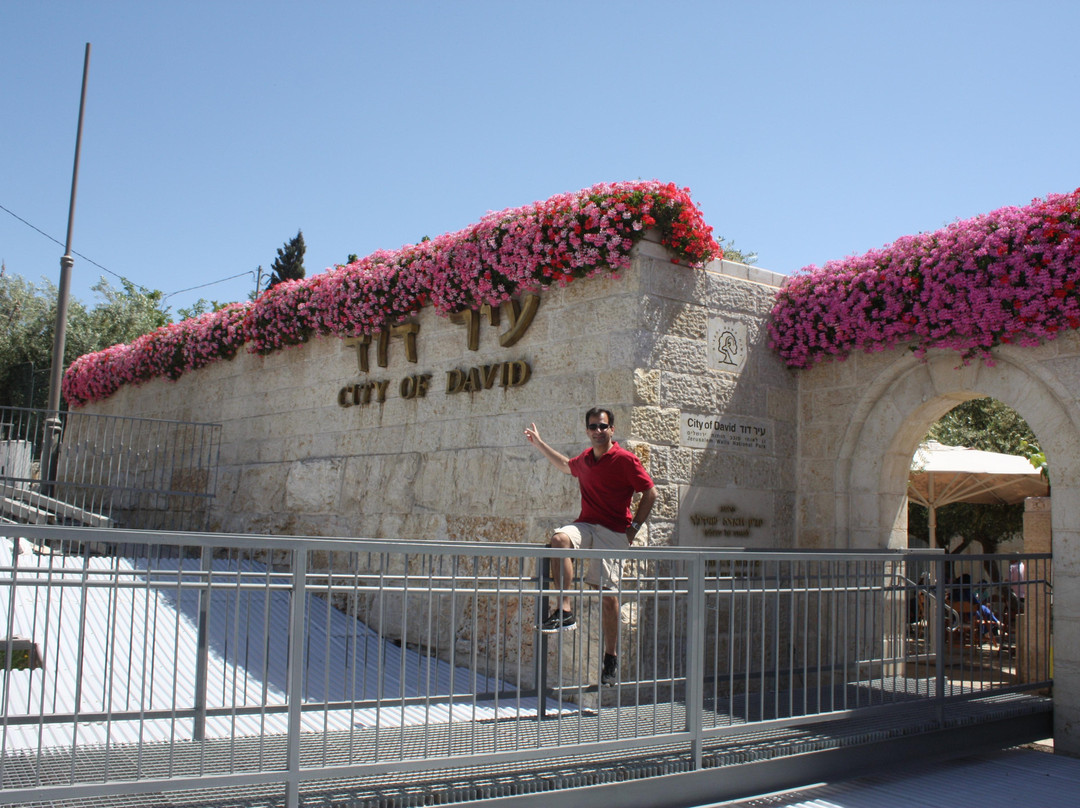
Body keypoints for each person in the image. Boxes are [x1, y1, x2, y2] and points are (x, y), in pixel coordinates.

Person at [524, 407, 657, 686]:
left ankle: (611, 657)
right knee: (559, 540)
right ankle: (565, 610)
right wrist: (539, 443)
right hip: (587, 525)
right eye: (593, 426)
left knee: (606, 595)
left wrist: (633, 529)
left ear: (612, 429)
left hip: (614, 532)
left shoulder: (625, 459)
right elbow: (565, 465)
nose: (598, 431)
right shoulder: (585, 459)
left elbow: (650, 492)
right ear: (587, 430)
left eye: (603, 426)